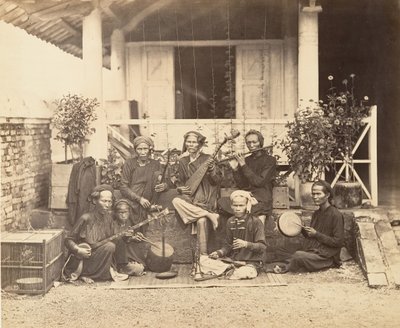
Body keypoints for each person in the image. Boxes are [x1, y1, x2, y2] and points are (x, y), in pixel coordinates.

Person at [63, 185, 127, 283]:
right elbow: (68, 240)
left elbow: (113, 237)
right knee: (109, 246)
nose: (107, 205)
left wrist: (124, 234)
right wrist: (78, 249)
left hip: (100, 256)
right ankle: (85, 274)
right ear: (94, 201)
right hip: (84, 258)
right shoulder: (86, 218)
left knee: (112, 245)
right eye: (104, 201)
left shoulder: (108, 218)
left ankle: (101, 273)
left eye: (109, 201)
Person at [172, 131, 222, 254]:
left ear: (200, 144)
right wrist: (179, 188)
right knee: (176, 201)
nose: (190, 145)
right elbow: (182, 182)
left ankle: (203, 257)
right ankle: (209, 215)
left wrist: (212, 171)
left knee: (201, 221)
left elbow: (217, 181)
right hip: (190, 199)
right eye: (188, 142)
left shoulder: (207, 158)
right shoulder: (183, 161)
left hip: (205, 197)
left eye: (194, 142)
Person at [219, 129, 276, 225]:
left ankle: (250, 218)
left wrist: (243, 165)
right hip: (246, 196)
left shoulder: (270, 160)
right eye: (248, 142)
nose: (251, 145)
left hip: (261, 198)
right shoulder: (246, 160)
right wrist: (235, 169)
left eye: (254, 142)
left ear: (260, 142)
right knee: (222, 202)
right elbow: (242, 185)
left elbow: (259, 182)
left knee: (242, 208)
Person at [285, 180, 344, 272]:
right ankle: (293, 263)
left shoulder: (336, 215)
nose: (315, 197)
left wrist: (316, 234)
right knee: (282, 251)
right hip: (314, 251)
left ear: (327, 195)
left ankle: (286, 268)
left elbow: (338, 242)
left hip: (326, 256)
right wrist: (302, 228)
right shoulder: (317, 213)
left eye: (318, 194)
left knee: (298, 255)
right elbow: (311, 236)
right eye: (313, 194)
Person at [209, 190, 267, 279]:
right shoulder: (230, 221)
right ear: (231, 206)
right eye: (235, 205)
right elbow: (228, 245)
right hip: (234, 261)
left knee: (244, 272)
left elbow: (262, 247)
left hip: (251, 263)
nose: (238, 208)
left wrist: (246, 244)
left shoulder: (256, 222)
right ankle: (230, 269)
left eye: (241, 205)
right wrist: (219, 253)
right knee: (204, 260)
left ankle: (230, 271)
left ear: (247, 206)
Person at [120, 135, 167, 234]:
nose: (142, 152)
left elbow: (163, 181)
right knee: (129, 230)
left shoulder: (155, 164)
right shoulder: (129, 163)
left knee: (143, 233)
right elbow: (123, 187)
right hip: (132, 201)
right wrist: (139, 199)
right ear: (135, 150)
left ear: (150, 149)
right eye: (139, 149)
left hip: (149, 202)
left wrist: (164, 186)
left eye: (145, 149)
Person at [113, 199, 148, 276]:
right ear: (115, 213)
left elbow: (130, 239)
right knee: (138, 269)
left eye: (125, 212)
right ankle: (122, 267)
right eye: (120, 213)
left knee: (141, 267)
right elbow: (115, 241)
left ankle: (132, 263)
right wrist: (125, 237)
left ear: (129, 213)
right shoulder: (113, 225)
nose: (123, 215)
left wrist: (135, 237)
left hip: (129, 256)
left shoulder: (129, 223)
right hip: (118, 257)